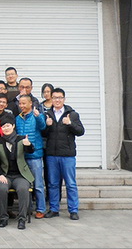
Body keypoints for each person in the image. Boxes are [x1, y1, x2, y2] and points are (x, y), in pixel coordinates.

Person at [43, 88, 85, 220]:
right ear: (51, 99)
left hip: (67, 155)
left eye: (60, 98)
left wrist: (70, 123)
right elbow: (43, 134)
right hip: (52, 154)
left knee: (70, 184)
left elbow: (81, 131)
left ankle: (73, 210)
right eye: (55, 98)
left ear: (64, 99)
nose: (57, 100)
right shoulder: (47, 114)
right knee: (53, 184)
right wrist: (47, 125)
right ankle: (54, 209)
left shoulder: (72, 114)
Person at [0, 114, 34, 230]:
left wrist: (28, 145)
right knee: (1, 189)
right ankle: (3, 217)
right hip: (5, 175)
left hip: (20, 175)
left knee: (23, 189)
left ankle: (22, 219)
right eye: (3, 126)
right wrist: (0, 175)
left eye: (8, 126)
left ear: (13, 126)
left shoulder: (21, 139)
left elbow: (30, 150)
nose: (6, 128)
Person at [15, 94, 47, 219]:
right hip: (22, 156)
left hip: (35, 155)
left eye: (24, 103)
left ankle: (41, 209)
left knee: (38, 184)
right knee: (26, 184)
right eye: (20, 103)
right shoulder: (18, 118)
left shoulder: (37, 115)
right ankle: (28, 208)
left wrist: (38, 116)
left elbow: (43, 127)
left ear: (30, 103)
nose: (22, 106)